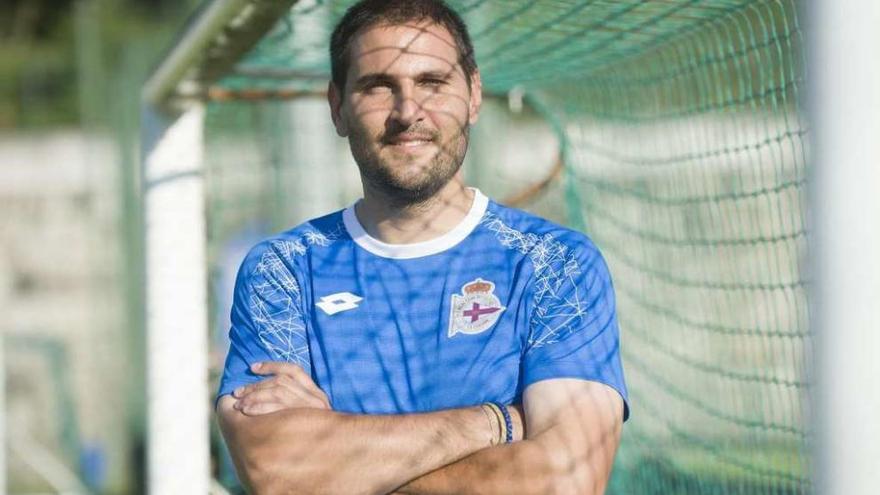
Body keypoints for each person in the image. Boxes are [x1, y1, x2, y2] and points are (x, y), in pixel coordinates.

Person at [216, 0, 628, 493]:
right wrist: (496, 423)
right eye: (378, 86)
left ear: (474, 94)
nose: (408, 112)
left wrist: (341, 468)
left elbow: (568, 478)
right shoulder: (282, 270)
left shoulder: (554, 264)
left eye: (432, 82)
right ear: (337, 106)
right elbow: (276, 471)